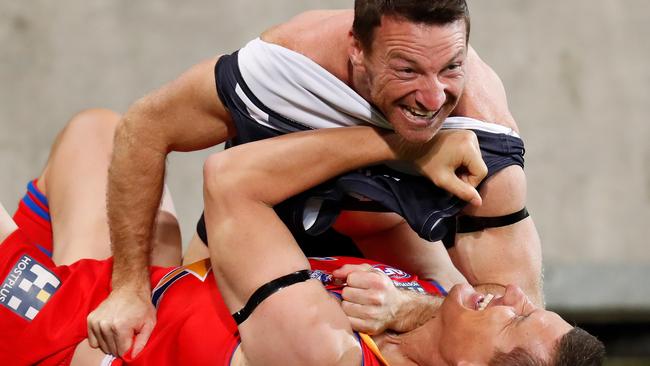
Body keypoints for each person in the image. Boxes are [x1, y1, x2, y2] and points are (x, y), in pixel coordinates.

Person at [91, 0, 544, 357]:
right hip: (263, 227)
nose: (431, 98)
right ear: (357, 50)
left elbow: (514, 313)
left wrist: (410, 309)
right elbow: (144, 128)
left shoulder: (483, 139)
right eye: (406, 70)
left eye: (451, 68)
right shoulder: (283, 72)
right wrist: (128, 288)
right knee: (181, 343)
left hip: (386, 246)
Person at [0, 113, 604, 365]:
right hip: (161, 294)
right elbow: (379, 215)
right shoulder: (438, 306)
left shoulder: (329, 353)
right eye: (532, 305)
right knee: (97, 136)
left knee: (132, 140)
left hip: (88, 340)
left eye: (517, 319)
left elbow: (232, 182)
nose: (511, 296)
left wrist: (403, 143)